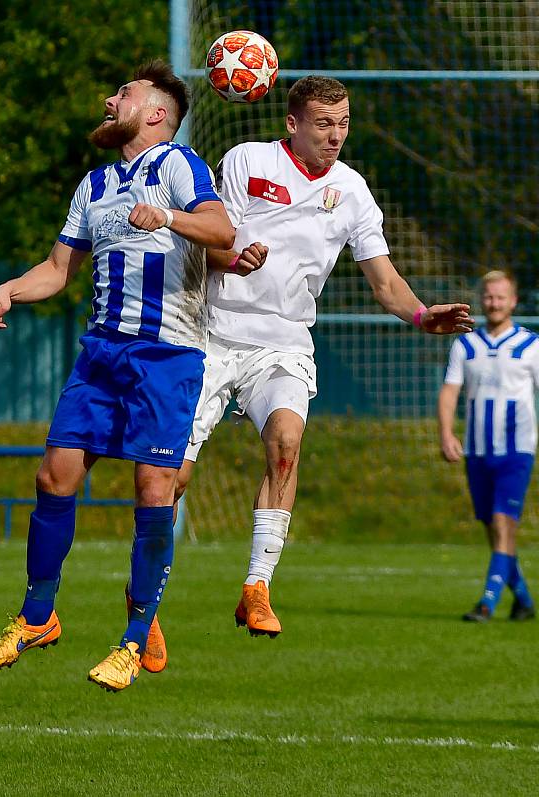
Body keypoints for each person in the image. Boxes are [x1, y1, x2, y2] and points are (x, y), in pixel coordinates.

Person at [172, 74, 473, 638]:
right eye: (323, 124)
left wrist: (419, 314)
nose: (336, 135)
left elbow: (383, 282)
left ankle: (257, 587)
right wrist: (233, 259)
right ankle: (148, 603)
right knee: (174, 477)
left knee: (286, 444)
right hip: (213, 333)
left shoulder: (354, 191)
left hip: (285, 340)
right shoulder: (245, 161)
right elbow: (206, 243)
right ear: (293, 124)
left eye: (344, 123)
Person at [0, 60, 237, 691]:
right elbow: (59, 267)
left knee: (153, 490)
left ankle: (131, 637)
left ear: (154, 114)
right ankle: (38, 616)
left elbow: (223, 229)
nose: (108, 99)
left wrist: (169, 217)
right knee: (53, 476)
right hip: (101, 353)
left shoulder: (178, 165)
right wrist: (13, 287)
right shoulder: (93, 185)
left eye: (123, 93)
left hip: (165, 356)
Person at [438, 270, 537, 622]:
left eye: (501, 297)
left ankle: (487, 603)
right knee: (492, 528)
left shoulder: (530, 345)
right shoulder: (466, 344)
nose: (494, 303)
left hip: (516, 451)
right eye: (489, 296)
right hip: (477, 452)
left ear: (513, 301)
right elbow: (450, 391)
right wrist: (447, 433)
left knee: (503, 522)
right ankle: (523, 599)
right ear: (482, 300)